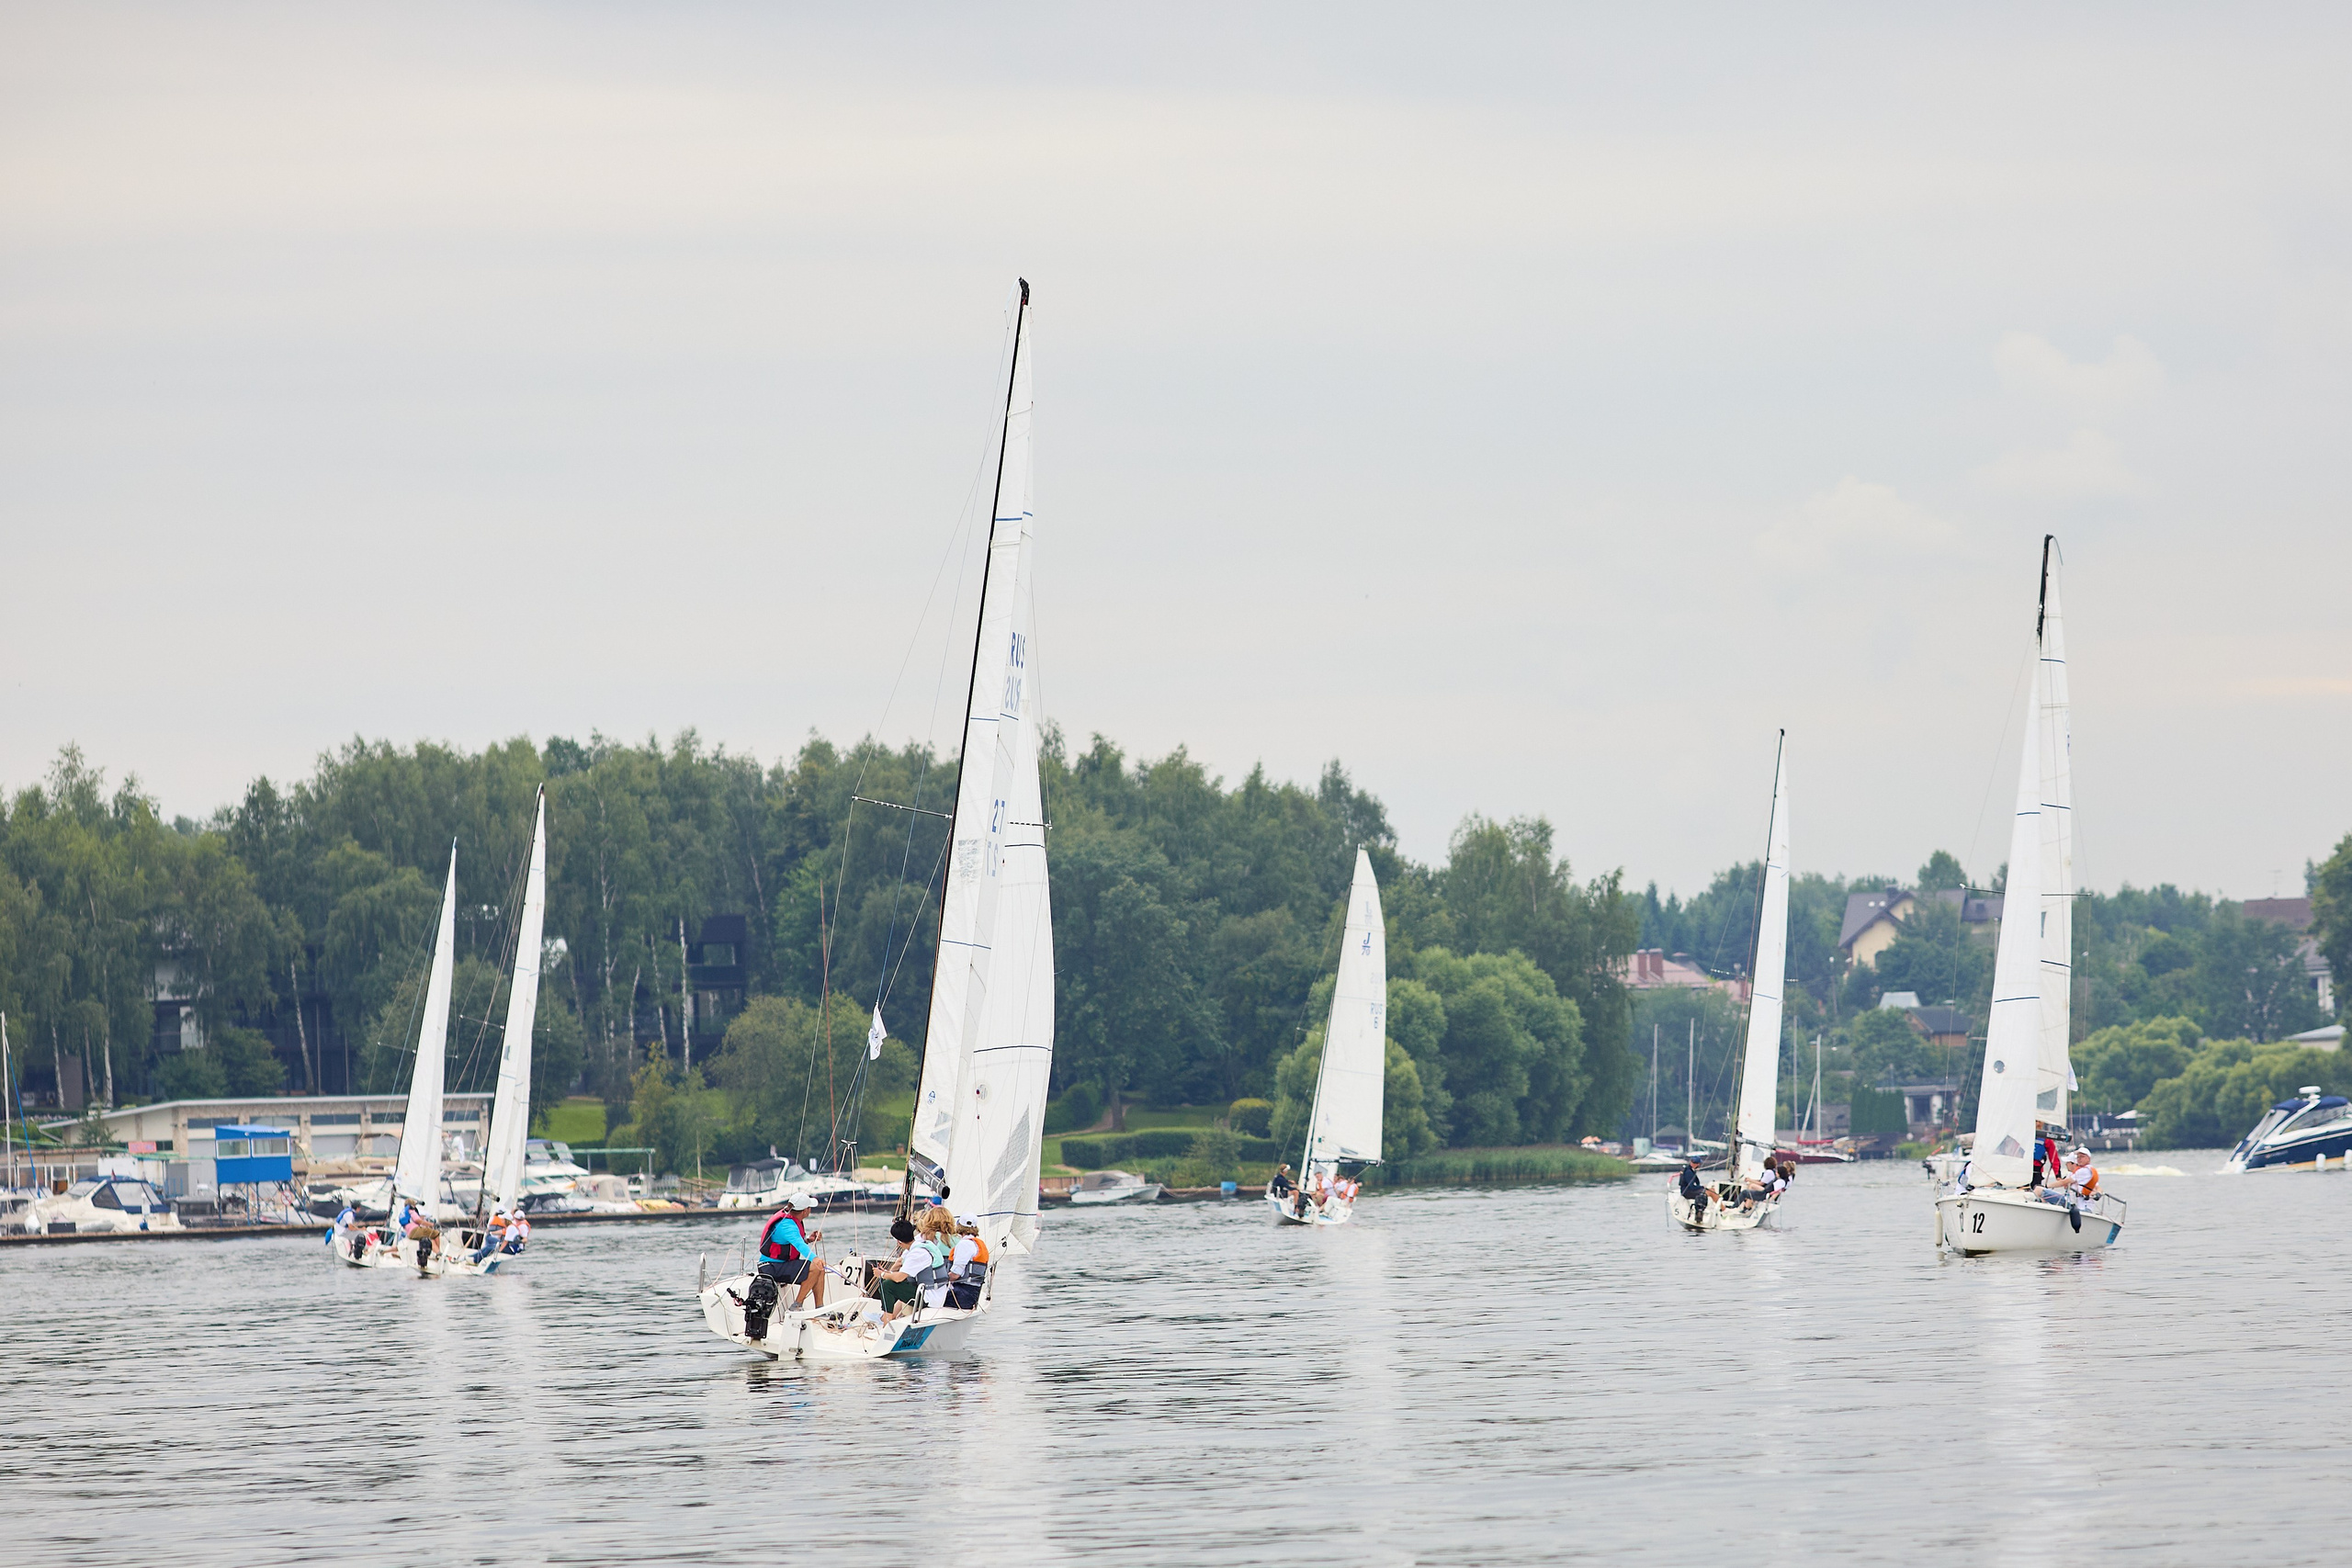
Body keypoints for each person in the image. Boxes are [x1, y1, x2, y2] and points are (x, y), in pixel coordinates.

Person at [755, 1194, 824, 1310]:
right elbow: (799, 1245)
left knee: (820, 1268)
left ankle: (820, 1308)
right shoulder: (786, 1225)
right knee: (816, 1266)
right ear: (804, 1211)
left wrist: (808, 1239)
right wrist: (815, 1258)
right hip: (771, 1267)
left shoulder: (791, 1218)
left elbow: (794, 1241)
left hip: (780, 1264)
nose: (810, 1210)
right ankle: (797, 1305)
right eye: (809, 1207)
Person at [873, 1217, 929, 1318]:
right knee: (889, 1282)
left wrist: (881, 1274)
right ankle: (887, 1318)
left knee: (887, 1285)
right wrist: (886, 1272)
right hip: (926, 1289)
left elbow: (899, 1278)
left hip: (928, 1295)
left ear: (899, 1242)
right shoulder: (918, 1247)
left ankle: (887, 1322)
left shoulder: (916, 1253)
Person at [945, 1215, 988, 1310]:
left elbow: (956, 1274)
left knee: (926, 1299)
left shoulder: (964, 1244)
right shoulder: (977, 1243)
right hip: (974, 1292)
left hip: (962, 1293)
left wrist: (939, 1281)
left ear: (959, 1226)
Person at [1678, 1156, 1713, 1223]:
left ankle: (1722, 1208)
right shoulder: (1689, 1172)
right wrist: (1702, 1187)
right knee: (1709, 1192)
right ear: (1697, 1164)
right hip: (1687, 1192)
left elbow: (1696, 1182)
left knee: (1711, 1190)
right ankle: (1723, 1209)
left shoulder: (1690, 1170)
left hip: (1687, 1190)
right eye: (1698, 1164)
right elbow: (1692, 1187)